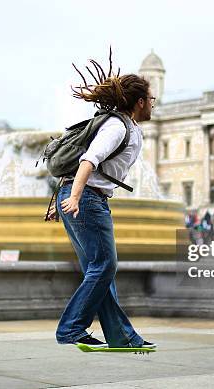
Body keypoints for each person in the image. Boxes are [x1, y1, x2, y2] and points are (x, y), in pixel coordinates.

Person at [46, 64, 156, 350]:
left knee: (99, 269)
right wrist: (74, 197)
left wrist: (66, 196)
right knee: (105, 266)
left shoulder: (127, 126)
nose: (153, 105)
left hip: (84, 196)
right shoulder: (117, 127)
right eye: (151, 99)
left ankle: (121, 337)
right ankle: (70, 329)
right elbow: (88, 161)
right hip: (87, 199)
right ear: (140, 102)